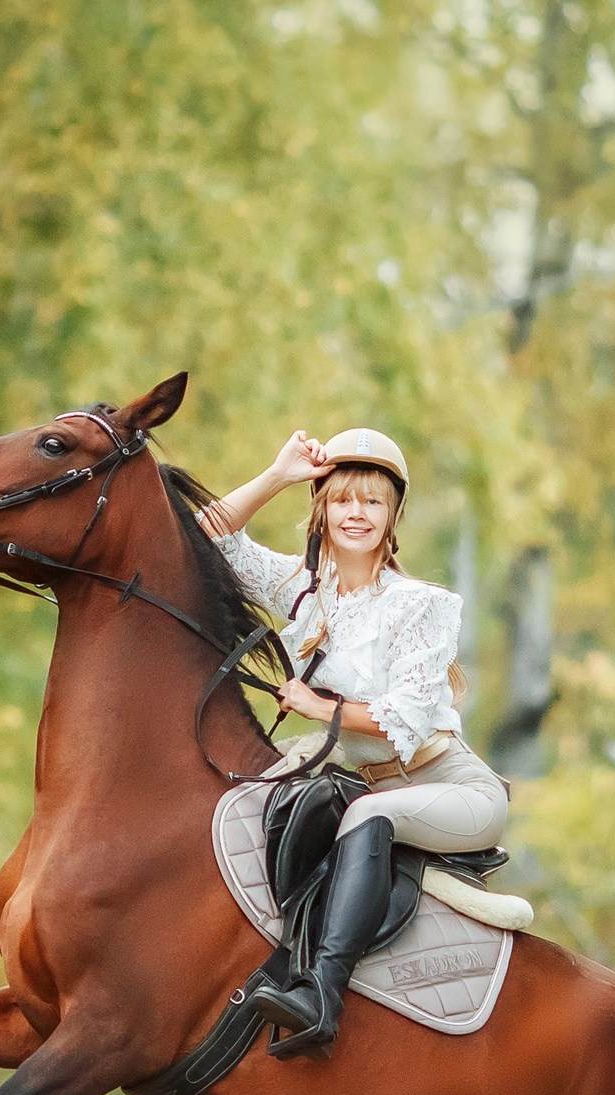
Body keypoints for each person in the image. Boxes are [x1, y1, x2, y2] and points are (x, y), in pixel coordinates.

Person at [201, 427, 510, 1058]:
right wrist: (278, 473)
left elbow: (409, 715)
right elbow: (209, 539)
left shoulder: (420, 605)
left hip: (451, 787)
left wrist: (320, 706)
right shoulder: (306, 594)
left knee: (368, 809)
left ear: (393, 515)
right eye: (343, 499)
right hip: (370, 786)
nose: (356, 514)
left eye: (372, 502)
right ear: (321, 509)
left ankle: (322, 997)